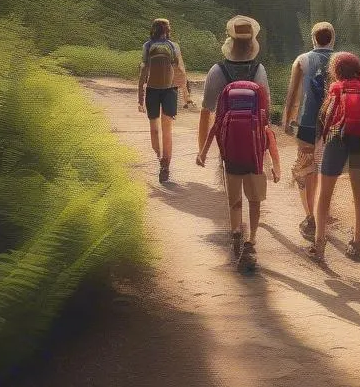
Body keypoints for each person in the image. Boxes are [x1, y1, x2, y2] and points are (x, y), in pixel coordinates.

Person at [196, 15, 281, 273]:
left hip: (228, 146)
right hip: (255, 146)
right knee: (254, 197)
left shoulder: (216, 71)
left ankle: (235, 231)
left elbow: (206, 111)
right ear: (252, 43)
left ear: (229, 42)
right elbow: (265, 112)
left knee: (233, 196)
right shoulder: (259, 71)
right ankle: (251, 241)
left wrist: (204, 148)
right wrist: (270, 154)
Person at [308, 51, 360, 263]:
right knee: (359, 196)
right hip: (359, 142)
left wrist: (322, 138)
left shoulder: (336, 88)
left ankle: (319, 243)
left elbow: (324, 115)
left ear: (336, 70)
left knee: (325, 194)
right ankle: (356, 243)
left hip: (336, 142)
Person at [283, 21, 336, 241]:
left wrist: (287, 121)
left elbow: (292, 95)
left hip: (306, 123)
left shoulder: (302, 60)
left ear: (313, 38)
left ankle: (310, 217)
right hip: (333, 125)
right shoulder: (341, 60)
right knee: (326, 171)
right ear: (332, 38)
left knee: (306, 170)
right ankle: (323, 214)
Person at [137, 18, 186, 184]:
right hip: (170, 90)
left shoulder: (147, 46)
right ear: (167, 30)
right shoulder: (174, 46)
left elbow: (143, 70)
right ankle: (165, 165)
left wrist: (140, 98)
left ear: (153, 29)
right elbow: (180, 71)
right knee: (167, 130)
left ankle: (159, 158)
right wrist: (186, 93)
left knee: (154, 130)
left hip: (152, 90)